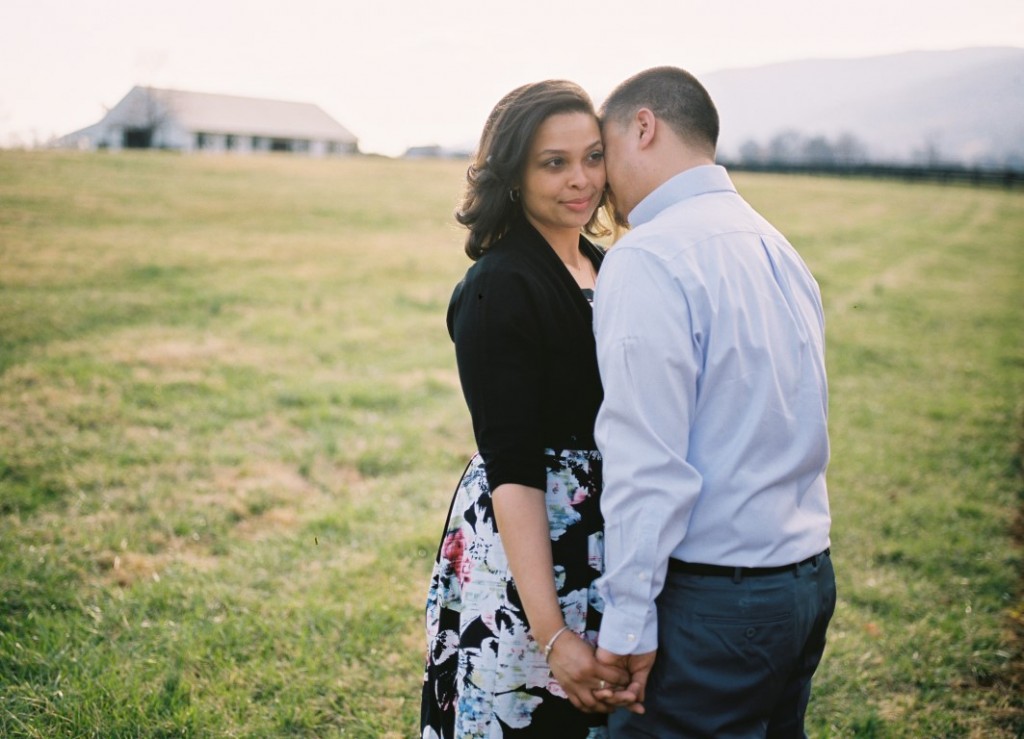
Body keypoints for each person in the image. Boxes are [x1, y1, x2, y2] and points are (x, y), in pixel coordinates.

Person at [590, 66, 837, 737]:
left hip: (716, 604)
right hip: (805, 581)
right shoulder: (776, 245)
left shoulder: (649, 257)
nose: (598, 183)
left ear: (643, 127)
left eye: (601, 153)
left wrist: (628, 621)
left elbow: (648, 461)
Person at [421, 80, 630, 738]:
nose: (582, 179)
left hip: (607, 546)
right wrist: (551, 633)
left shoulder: (606, 266)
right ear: (512, 174)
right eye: (554, 162)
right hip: (528, 565)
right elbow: (511, 466)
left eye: (593, 157)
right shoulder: (500, 286)